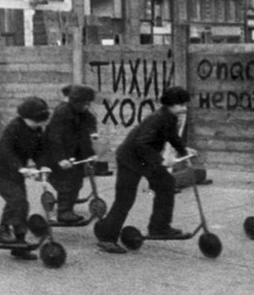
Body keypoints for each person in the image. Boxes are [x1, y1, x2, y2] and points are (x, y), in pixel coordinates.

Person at [94, 86, 196, 254]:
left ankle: (159, 227)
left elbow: (172, 137)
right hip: (130, 158)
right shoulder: (157, 119)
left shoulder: (170, 117)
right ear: (170, 104)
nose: (184, 108)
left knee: (166, 183)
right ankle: (106, 238)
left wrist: (184, 151)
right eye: (181, 105)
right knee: (125, 198)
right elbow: (142, 143)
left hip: (144, 158)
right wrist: (160, 160)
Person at [0, 97, 49, 260]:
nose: (38, 124)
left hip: (16, 171)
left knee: (20, 203)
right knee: (17, 201)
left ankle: (19, 243)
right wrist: (20, 167)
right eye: (35, 121)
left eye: (41, 121)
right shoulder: (14, 128)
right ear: (25, 118)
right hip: (0, 169)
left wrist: (42, 165)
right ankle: (3, 231)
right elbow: (6, 150)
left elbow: (40, 151)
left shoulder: (37, 130)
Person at [39, 85, 97, 223]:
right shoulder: (63, 112)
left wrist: (90, 150)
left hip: (72, 152)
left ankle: (69, 200)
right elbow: (54, 138)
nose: (87, 106)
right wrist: (60, 159)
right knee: (66, 181)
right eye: (85, 103)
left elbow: (88, 126)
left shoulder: (81, 111)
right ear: (76, 101)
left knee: (76, 179)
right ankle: (64, 212)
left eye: (89, 103)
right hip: (56, 153)